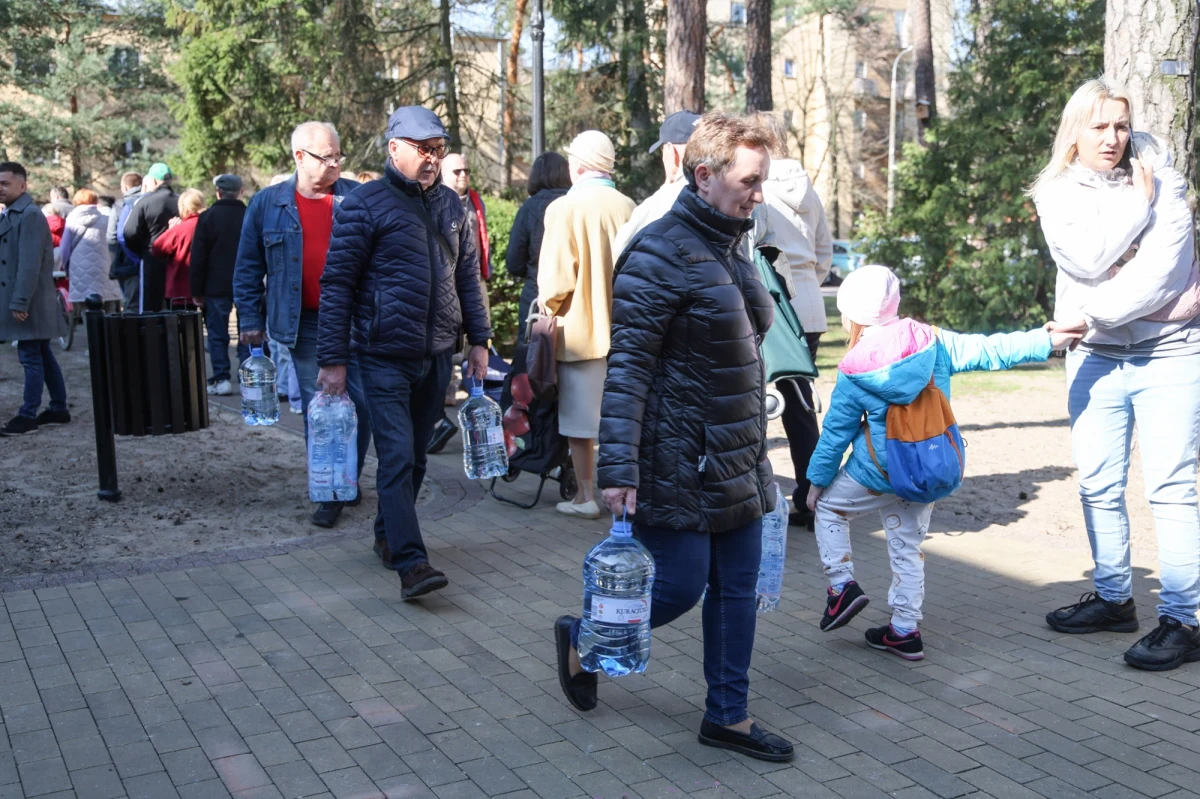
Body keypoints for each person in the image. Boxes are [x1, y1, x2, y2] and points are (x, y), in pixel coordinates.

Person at [555, 113, 791, 761]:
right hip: (676, 457)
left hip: (737, 454)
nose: (759, 193)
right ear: (704, 174)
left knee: (737, 587)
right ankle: (582, 635)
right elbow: (627, 368)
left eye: (761, 180)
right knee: (679, 586)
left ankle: (728, 716)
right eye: (749, 180)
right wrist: (618, 469)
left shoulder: (728, 246)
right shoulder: (659, 251)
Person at [805, 265, 1077, 660]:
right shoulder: (932, 341)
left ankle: (841, 587)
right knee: (907, 547)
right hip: (926, 469)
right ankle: (903, 629)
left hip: (875, 473)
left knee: (828, 509)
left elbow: (835, 434)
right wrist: (1045, 340)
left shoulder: (854, 368)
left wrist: (815, 482)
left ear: (851, 315)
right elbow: (990, 350)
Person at [1033, 78, 1200, 671]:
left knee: (1172, 489)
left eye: (1121, 126)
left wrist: (1093, 308)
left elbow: (1162, 270)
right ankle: (1113, 598)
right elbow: (1084, 259)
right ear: (1074, 131)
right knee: (1097, 485)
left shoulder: (1166, 178)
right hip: (1096, 357)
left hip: (1170, 353)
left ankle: (1183, 619)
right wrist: (1136, 212)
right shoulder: (1055, 192)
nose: (1113, 138)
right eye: (1099, 126)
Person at [316, 106, 492, 598]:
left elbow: (468, 282)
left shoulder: (452, 208)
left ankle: (387, 536)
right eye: (423, 149)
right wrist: (333, 361)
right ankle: (412, 564)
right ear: (394, 148)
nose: (432, 158)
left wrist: (479, 341)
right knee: (394, 456)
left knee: (415, 458)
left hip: (437, 355)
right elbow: (337, 286)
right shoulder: (363, 205)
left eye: (437, 149)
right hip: (381, 355)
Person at [234, 121, 373, 529]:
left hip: (357, 320)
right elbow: (247, 268)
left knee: (359, 405)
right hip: (304, 324)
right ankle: (327, 490)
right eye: (325, 157)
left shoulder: (357, 198)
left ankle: (348, 476)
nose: (334, 164)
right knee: (323, 406)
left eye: (338, 156)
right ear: (299, 156)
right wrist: (250, 319)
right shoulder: (267, 204)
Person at [537, 131, 636, 519]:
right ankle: (625, 495)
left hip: (579, 332)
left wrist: (548, 307)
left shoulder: (565, 207)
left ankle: (585, 495)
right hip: (627, 331)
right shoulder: (629, 205)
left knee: (581, 422)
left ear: (577, 165)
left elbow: (557, 281)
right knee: (625, 419)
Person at [751, 112, 833, 529]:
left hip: (774, 307)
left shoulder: (757, 187)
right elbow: (825, 250)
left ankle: (767, 494)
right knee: (801, 408)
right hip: (811, 307)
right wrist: (809, 287)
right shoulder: (809, 190)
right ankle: (810, 493)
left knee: (757, 402)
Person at [0, 162, 70, 436]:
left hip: (29, 301)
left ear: (22, 185)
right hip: (30, 299)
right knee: (42, 353)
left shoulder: (28, 215)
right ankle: (59, 408)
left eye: (5, 183)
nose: (0, 189)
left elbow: (29, 264)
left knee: (30, 355)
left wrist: (20, 302)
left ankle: (28, 415)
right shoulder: (14, 214)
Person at [611, 110, 700, 255]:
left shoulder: (662, 202)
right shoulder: (738, 192)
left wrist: (665, 192)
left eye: (662, 151)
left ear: (672, 152)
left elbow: (621, 249)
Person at [191, 174, 249, 396]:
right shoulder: (249, 215)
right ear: (241, 191)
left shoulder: (207, 218)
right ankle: (246, 376)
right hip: (246, 283)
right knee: (248, 330)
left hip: (215, 285)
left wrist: (196, 290)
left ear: (218, 192)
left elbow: (198, 257)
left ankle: (222, 378)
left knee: (217, 333)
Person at [506, 152, 571, 333]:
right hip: (573, 299)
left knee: (534, 354)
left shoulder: (528, 209)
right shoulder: (575, 204)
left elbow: (514, 262)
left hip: (536, 295)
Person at [122, 162, 179, 312]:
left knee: (149, 307)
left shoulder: (144, 202)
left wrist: (141, 250)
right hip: (178, 260)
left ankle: (152, 335)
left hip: (151, 259)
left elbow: (128, 232)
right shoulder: (182, 201)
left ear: (153, 181)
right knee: (177, 307)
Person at [60, 188, 121, 313]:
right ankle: (107, 332)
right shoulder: (106, 219)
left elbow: (65, 248)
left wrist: (66, 268)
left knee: (86, 309)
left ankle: (91, 332)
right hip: (105, 267)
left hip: (79, 269)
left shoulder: (72, 219)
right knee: (108, 307)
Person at [149, 188, 206, 309]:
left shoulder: (179, 229)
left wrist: (170, 230)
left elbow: (157, 248)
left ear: (183, 208)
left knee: (182, 326)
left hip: (180, 290)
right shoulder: (210, 225)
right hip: (208, 288)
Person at [107, 171, 142, 310]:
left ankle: (132, 332)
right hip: (149, 260)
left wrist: (115, 259)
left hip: (127, 263)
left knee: (131, 304)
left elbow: (112, 237)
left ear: (126, 188)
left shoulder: (119, 207)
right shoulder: (149, 201)